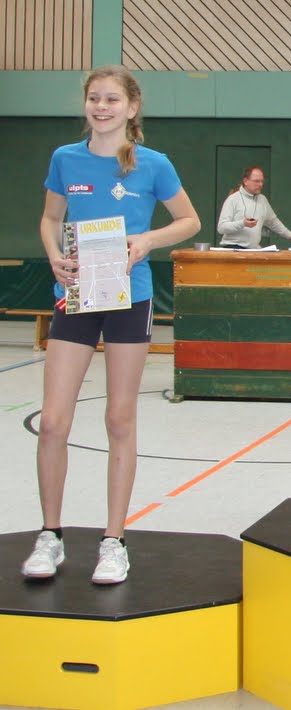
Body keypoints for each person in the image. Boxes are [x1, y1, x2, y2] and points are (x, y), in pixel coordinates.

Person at [22, 66, 200, 584]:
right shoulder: (65, 158)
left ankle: (113, 541)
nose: (102, 107)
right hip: (77, 295)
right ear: (86, 104)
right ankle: (51, 536)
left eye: (112, 99)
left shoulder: (152, 164)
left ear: (131, 107)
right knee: (53, 421)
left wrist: (147, 241)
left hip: (129, 296)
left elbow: (189, 220)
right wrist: (53, 254)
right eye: (95, 98)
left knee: (120, 419)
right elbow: (50, 218)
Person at [216, 166, 291, 248]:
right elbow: (221, 227)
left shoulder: (262, 200)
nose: (260, 184)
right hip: (233, 249)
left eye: (262, 181)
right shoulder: (232, 199)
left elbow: (273, 222)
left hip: (253, 250)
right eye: (256, 181)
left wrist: (290, 235)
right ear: (245, 181)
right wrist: (242, 223)